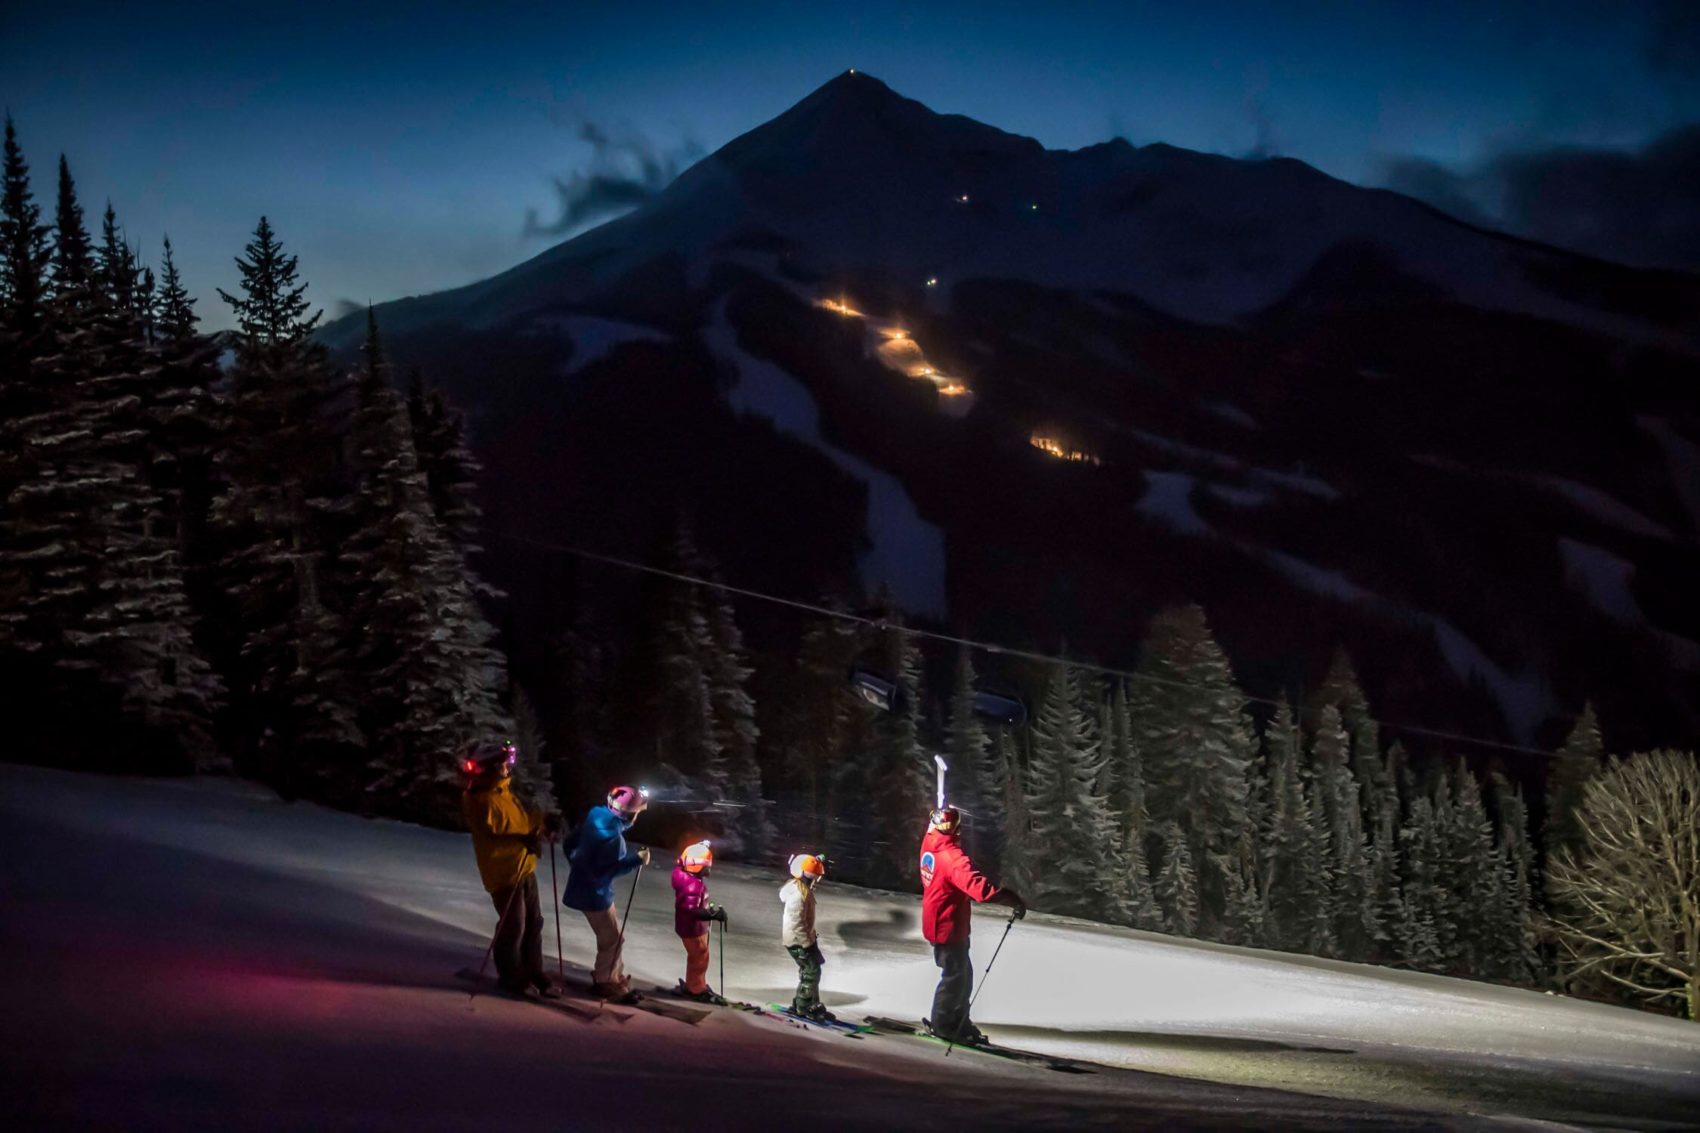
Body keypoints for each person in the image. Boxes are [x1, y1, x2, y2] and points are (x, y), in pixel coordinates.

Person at [460, 739, 562, 997]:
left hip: (523, 866)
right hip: (504, 872)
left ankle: (534, 971)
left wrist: (541, 823)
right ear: (492, 767)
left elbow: (521, 822)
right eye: (505, 763)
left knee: (533, 923)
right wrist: (525, 838)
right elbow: (495, 830)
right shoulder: (480, 798)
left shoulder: (503, 792)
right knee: (513, 925)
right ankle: (511, 976)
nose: (509, 767)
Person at [918, 806, 1025, 1045]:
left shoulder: (930, 843)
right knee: (955, 977)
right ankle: (943, 1023)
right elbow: (979, 890)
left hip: (939, 920)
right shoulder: (951, 858)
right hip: (947, 925)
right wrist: (1008, 897)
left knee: (963, 975)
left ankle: (956, 1020)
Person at [563, 784, 650, 1003]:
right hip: (595, 896)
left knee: (612, 937)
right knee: (612, 939)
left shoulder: (595, 818)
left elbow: (569, 843)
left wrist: (577, 865)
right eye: (636, 813)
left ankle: (612, 975)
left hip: (581, 888)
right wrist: (637, 860)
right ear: (629, 815)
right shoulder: (613, 840)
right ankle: (605, 981)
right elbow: (611, 870)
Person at [670, 840, 728, 1004]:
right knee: (699, 956)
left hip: (695, 927)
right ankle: (695, 989)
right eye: (707, 866)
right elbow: (690, 910)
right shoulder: (692, 886)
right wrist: (712, 914)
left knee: (701, 954)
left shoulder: (684, 875)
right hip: (691, 928)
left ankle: (696, 983)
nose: (709, 869)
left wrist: (702, 846)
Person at [779, 852, 832, 1021]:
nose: (816, 881)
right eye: (814, 878)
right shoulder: (798, 895)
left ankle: (811, 1004)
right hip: (798, 942)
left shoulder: (802, 890)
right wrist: (807, 944)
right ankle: (803, 1007)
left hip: (803, 940)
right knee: (811, 972)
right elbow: (796, 923)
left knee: (811, 970)